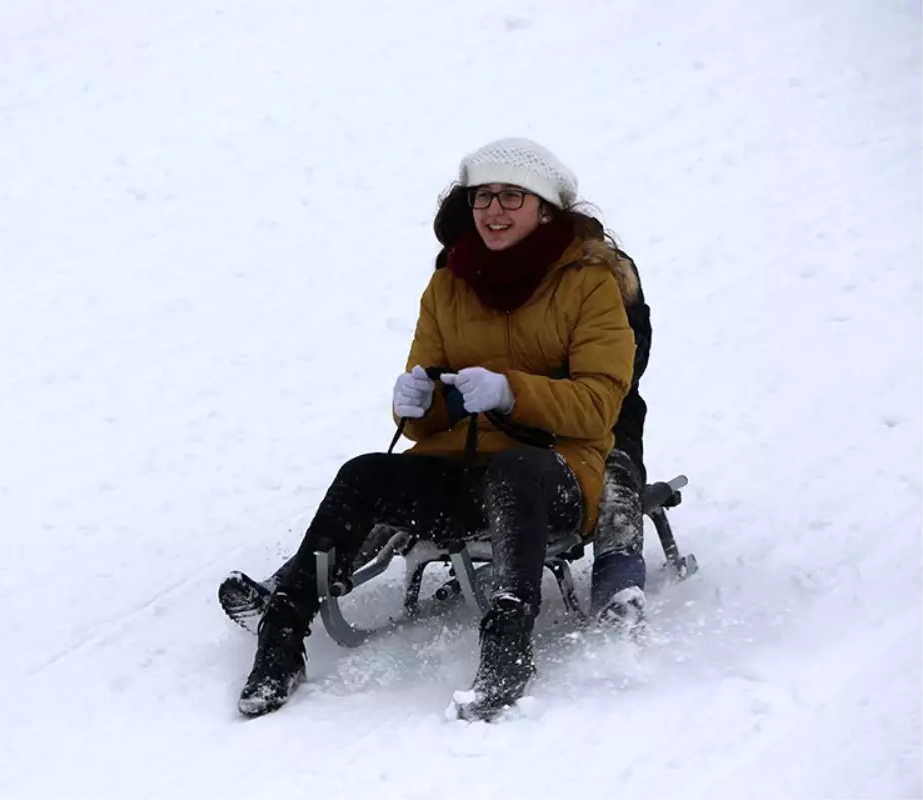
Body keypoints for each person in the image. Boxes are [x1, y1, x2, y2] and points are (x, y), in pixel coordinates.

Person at [233, 138, 638, 720]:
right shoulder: (449, 283)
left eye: (512, 198)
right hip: (464, 474)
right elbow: (421, 419)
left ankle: (506, 644)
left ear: (546, 208)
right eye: (484, 198)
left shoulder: (588, 284)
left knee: (515, 468)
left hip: (555, 479)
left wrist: (511, 390)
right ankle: (282, 636)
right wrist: (414, 405)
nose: (494, 211)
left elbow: (601, 405)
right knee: (364, 474)